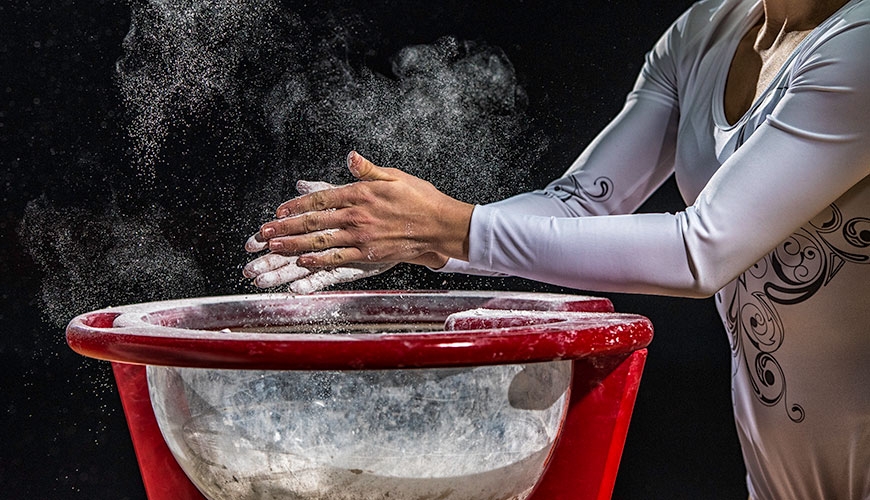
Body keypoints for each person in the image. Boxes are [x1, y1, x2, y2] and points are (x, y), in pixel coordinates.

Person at [243, 0, 870, 498]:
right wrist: (419, 238)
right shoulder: (705, 32)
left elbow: (700, 249)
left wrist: (449, 228)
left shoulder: (859, 43)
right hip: (780, 476)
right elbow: (581, 203)